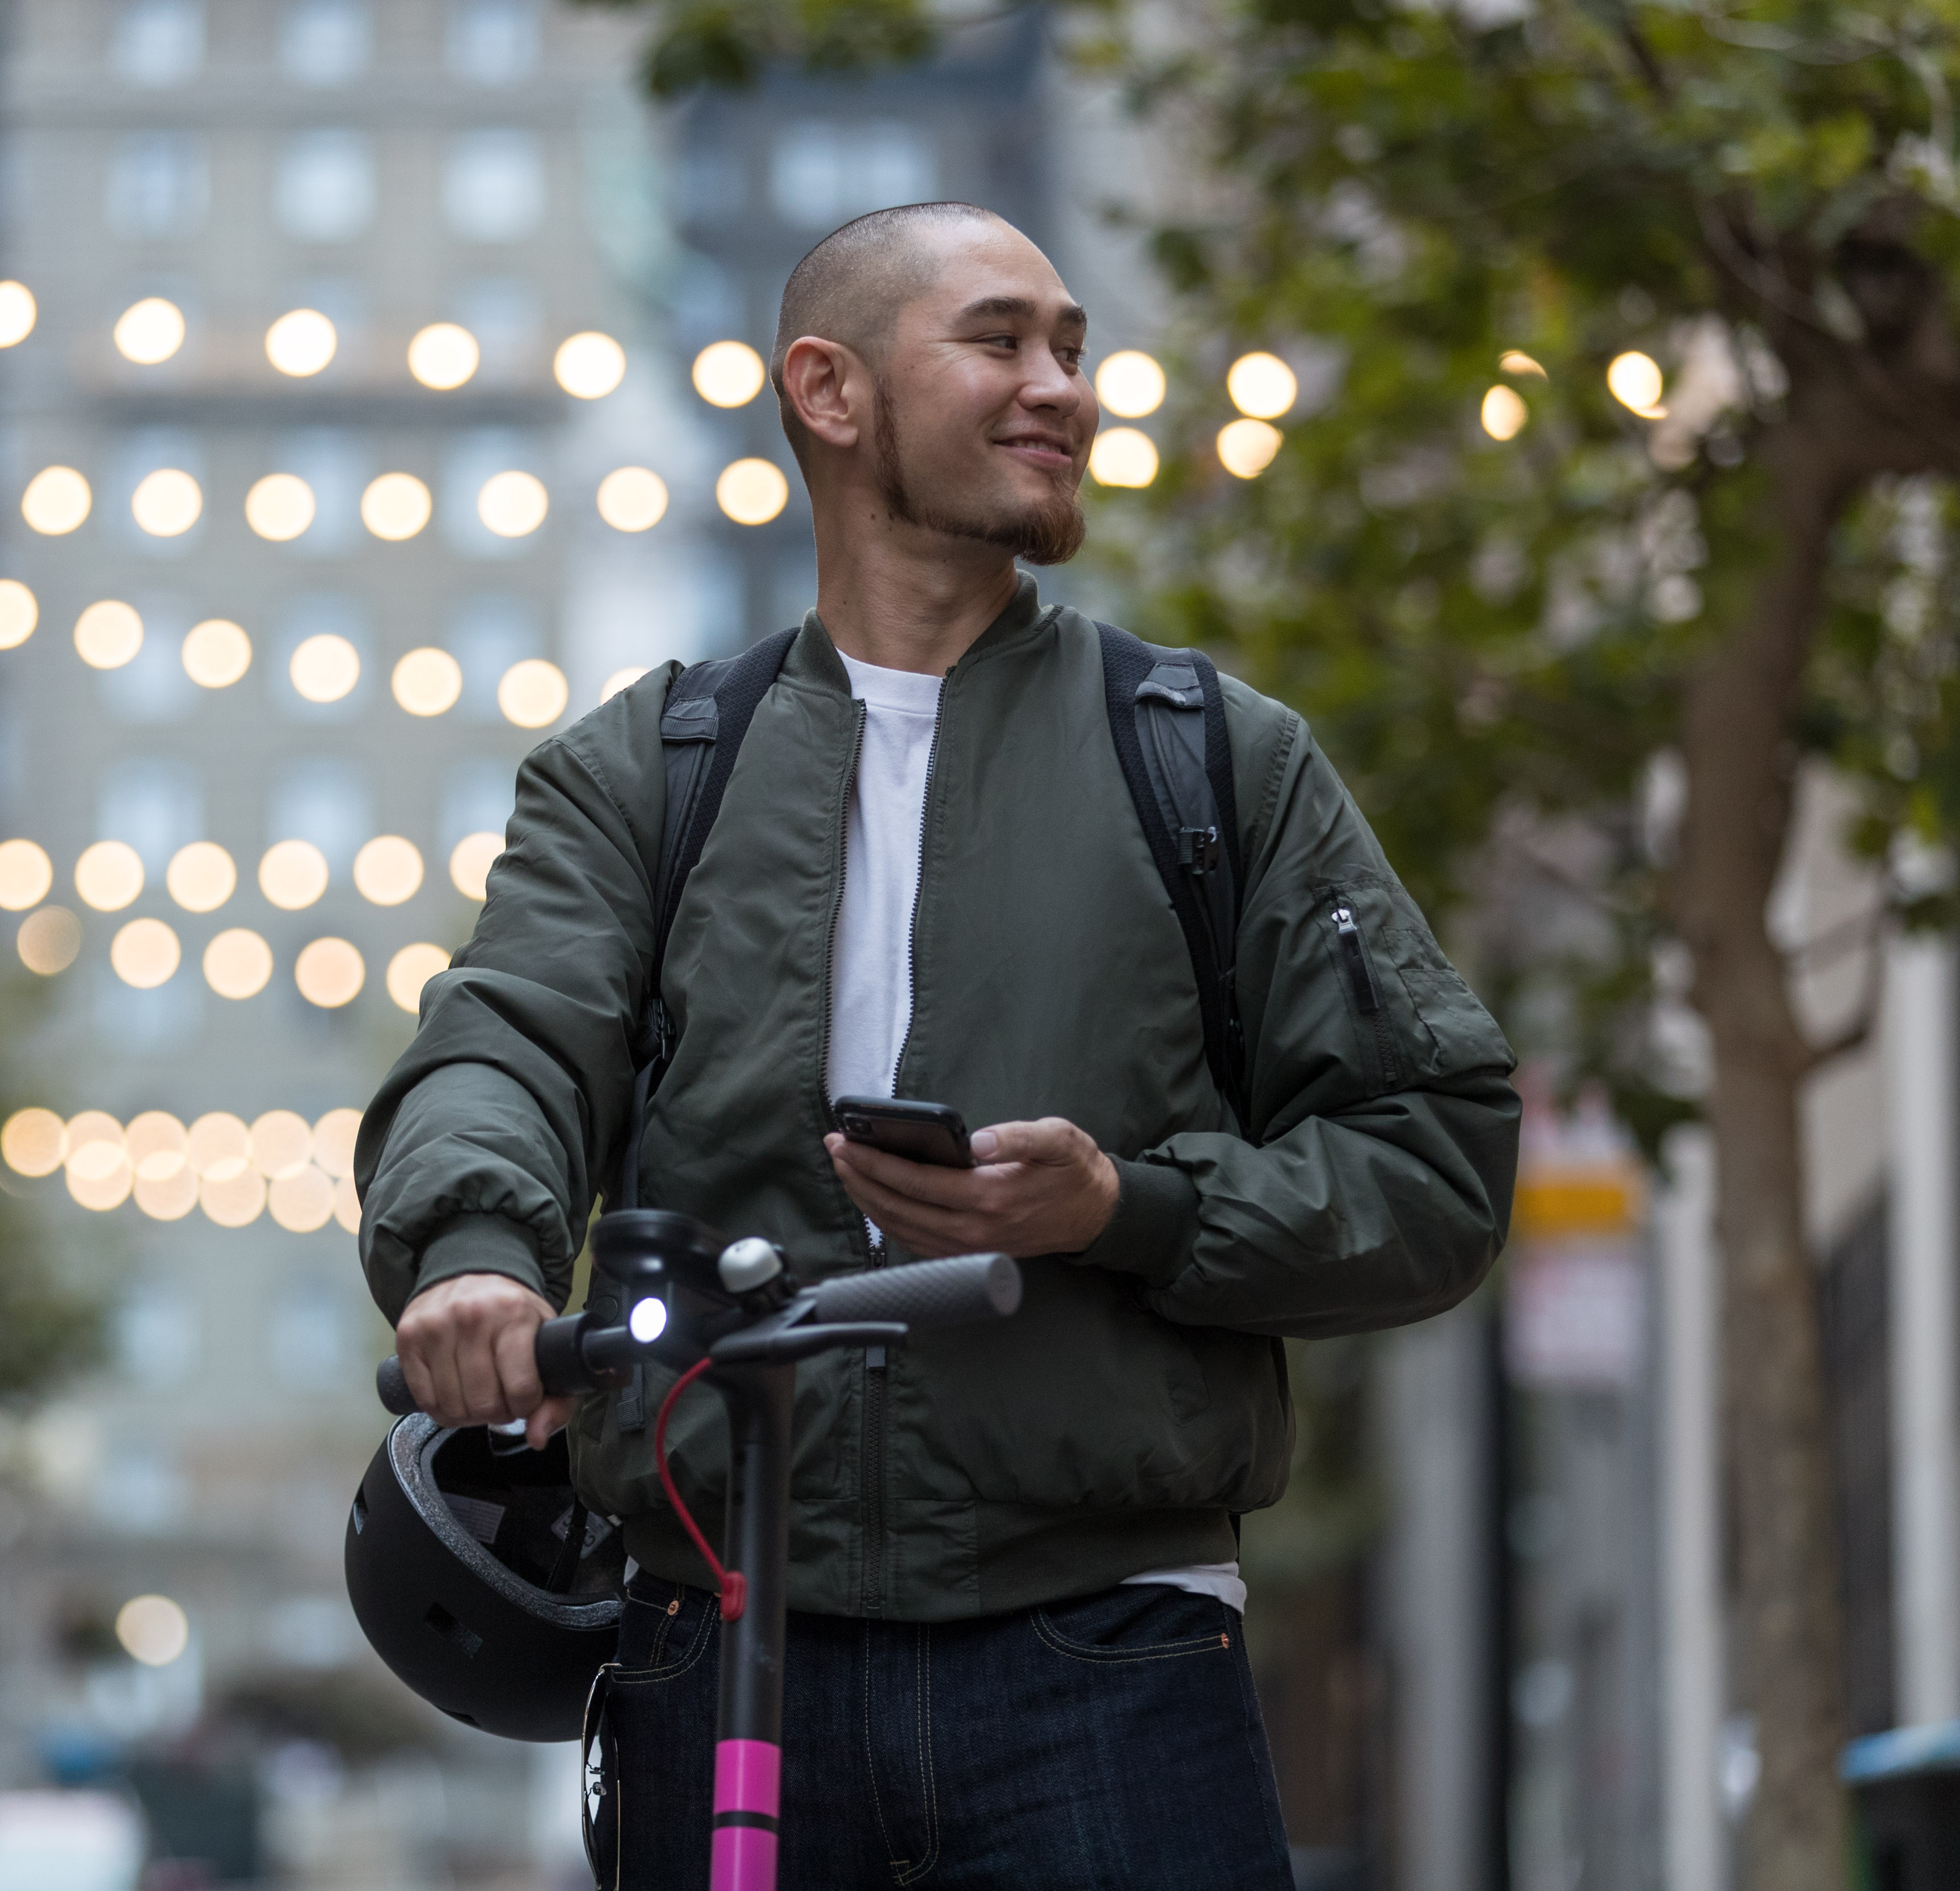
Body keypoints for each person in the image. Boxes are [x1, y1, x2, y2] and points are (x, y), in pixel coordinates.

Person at [356, 201, 1520, 1888]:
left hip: (1112, 1657)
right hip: (722, 1640)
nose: (1061, 386)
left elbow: (1438, 1155)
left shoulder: (1214, 761)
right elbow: (507, 1045)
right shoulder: (645, 774)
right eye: (1000, 341)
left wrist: (1127, 1207)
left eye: (1074, 348)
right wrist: (473, 1254)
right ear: (829, 391)